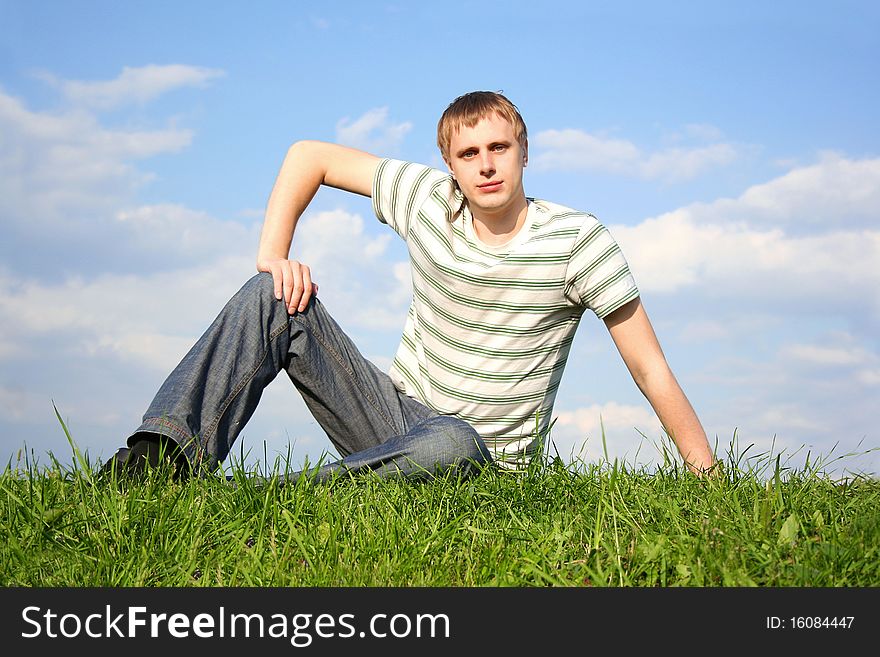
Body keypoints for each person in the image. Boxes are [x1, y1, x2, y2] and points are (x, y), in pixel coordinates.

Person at [100, 91, 716, 483]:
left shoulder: (579, 241)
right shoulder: (428, 200)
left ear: (524, 153)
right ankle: (157, 463)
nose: (486, 163)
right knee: (272, 297)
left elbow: (649, 366)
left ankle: (273, 499)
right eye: (469, 152)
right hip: (393, 422)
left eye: (499, 147)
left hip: (483, 467)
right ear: (450, 164)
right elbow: (308, 155)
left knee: (450, 439)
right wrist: (273, 256)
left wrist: (707, 475)